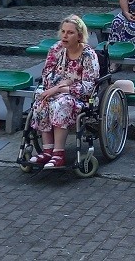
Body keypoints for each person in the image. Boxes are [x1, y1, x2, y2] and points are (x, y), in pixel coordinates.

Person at [27, 15, 99, 169]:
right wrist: (64, 84)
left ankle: (58, 154)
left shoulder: (88, 55)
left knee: (61, 104)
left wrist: (63, 87)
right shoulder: (56, 49)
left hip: (79, 97)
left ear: (79, 36)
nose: (65, 36)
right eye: (63, 31)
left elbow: (88, 86)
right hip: (54, 91)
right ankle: (47, 151)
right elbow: (46, 75)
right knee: (41, 100)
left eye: (70, 32)